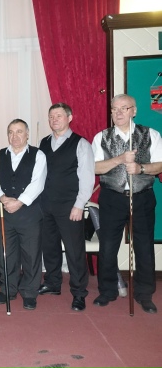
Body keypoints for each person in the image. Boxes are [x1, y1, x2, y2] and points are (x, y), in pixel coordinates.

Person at [92, 94, 162, 314]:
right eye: (114, 109)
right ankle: (107, 291)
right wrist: (120, 160)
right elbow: (95, 167)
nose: (118, 113)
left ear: (134, 111)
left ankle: (144, 294)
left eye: (124, 108)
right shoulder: (101, 137)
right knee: (108, 246)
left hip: (142, 197)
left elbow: (160, 164)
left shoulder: (151, 134)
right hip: (112, 197)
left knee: (144, 247)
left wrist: (141, 168)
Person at [38, 103, 95, 312]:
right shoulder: (44, 143)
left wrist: (79, 205)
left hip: (70, 207)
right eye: (51, 116)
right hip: (46, 205)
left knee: (74, 251)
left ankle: (79, 293)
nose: (54, 119)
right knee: (49, 247)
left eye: (59, 116)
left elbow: (87, 178)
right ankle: (53, 283)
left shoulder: (81, 144)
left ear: (69, 118)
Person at [0, 119, 47, 310]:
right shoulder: (0, 155)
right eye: (11, 132)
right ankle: (8, 289)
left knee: (31, 255)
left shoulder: (38, 155)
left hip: (29, 212)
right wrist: (3, 199)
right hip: (5, 212)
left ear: (27, 134)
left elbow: (38, 183)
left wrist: (19, 202)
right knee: (7, 253)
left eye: (19, 131)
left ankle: (29, 293)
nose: (15, 136)